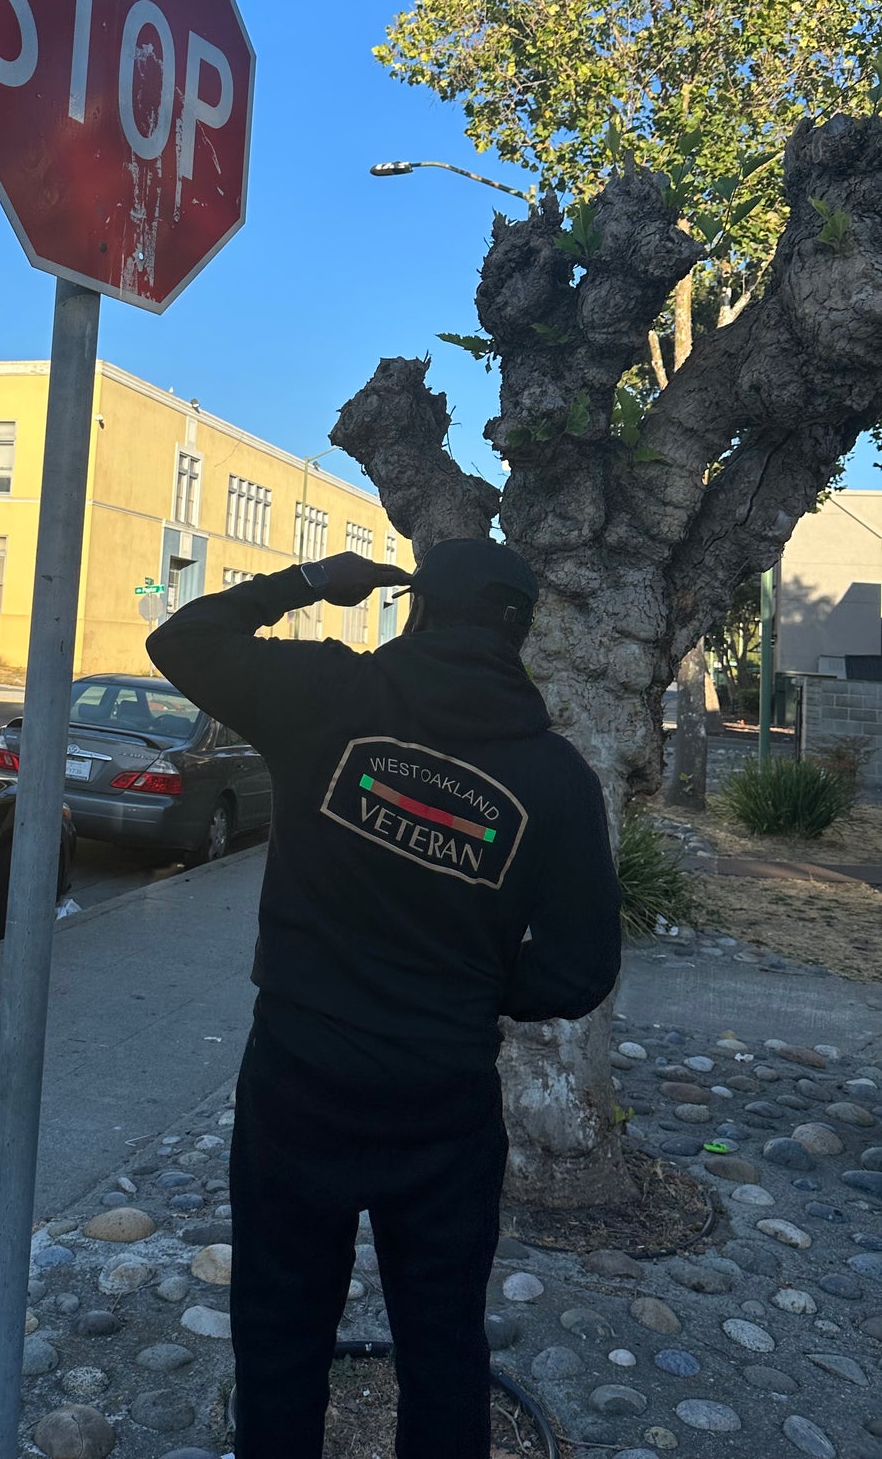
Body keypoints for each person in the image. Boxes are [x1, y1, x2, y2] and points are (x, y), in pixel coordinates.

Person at [146, 537, 622, 1459]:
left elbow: (185, 639)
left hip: (296, 1081)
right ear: (517, 633)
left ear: (418, 608)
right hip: (441, 1102)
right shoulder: (557, 780)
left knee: (280, 1338)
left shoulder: (327, 695)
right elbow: (579, 970)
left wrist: (312, 583)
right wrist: (477, 986)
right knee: (443, 1347)